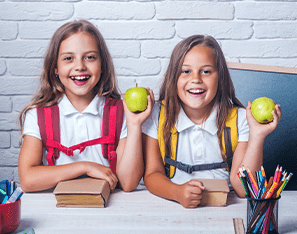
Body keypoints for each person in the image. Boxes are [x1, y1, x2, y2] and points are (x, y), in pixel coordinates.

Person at [142, 35, 282, 208]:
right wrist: (177, 193)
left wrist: (257, 136)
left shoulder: (240, 119)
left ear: (220, 77)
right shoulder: (158, 114)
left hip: (228, 208)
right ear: (173, 78)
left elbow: (242, 189)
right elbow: (152, 174)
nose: (196, 79)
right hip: (171, 205)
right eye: (186, 71)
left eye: (206, 71)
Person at [18, 20, 154, 193]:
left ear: (103, 65)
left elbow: (128, 183)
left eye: (90, 57)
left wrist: (134, 125)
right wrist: (84, 167)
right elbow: (27, 180)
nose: (80, 66)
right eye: (68, 58)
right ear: (55, 68)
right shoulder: (38, 115)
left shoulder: (121, 112)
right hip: (58, 208)